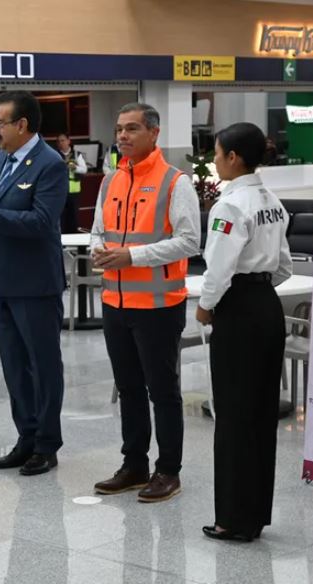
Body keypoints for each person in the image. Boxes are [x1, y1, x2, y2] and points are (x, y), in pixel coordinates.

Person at [90, 103, 201, 503]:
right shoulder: (111, 181)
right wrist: (99, 248)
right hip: (115, 302)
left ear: (154, 133)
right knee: (129, 388)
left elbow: (189, 242)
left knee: (163, 391)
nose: (122, 135)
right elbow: (98, 230)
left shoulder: (175, 182)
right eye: (119, 128)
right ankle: (134, 465)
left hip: (158, 305)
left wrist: (132, 257)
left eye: (132, 128)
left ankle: (168, 470)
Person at [0, 91, 67, 476]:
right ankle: (26, 437)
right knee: (14, 367)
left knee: (43, 366)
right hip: (3, 280)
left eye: (0, 123)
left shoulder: (50, 164)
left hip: (36, 283)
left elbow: (42, 221)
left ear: (22, 124)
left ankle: (46, 444)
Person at [196, 122, 291, 542]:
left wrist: (206, 306)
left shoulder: (230, 206)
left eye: (217, 154)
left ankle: (232, 520)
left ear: (233, 157)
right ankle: (254, 515)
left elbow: (218, 269)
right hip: (267, 307)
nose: (215, 161)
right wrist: (259, 287)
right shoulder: (272, 201)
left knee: (234, 415)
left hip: (237, 310)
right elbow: (284, 265)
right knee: (261, 415)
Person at [56, 133, 88, 233]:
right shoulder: (55, 155)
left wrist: (75, 168)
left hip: (74, 190)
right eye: (59, 141)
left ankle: (73, 237)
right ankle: (62, 239)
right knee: (61, 217)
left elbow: (84, 170)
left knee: (73, 216)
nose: (61, 143)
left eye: (63, 140)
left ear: (69, 141)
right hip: (60, 191)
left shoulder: (77, 154)